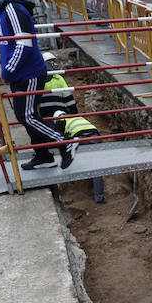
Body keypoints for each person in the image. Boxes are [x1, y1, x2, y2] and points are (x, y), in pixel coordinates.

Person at [0, 0, 72, 170]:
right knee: (30, 115)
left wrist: (8, 70)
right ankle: (43, 155)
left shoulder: (12, 8)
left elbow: (24, 44)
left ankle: (64, 142)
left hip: (27, 73)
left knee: (26, 116)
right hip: (21, 74)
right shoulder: (4, 7)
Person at [37, 52, 105, 200]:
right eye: (50, 63)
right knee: (95, 163)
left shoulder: (59, 79)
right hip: (88, 132)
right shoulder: (38, 81)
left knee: (64, 145)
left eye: (53, 62)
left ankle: (70, 180)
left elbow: (68, 98)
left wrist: (73, 113)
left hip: (64, 122)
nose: (53, 65)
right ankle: (98, 194)